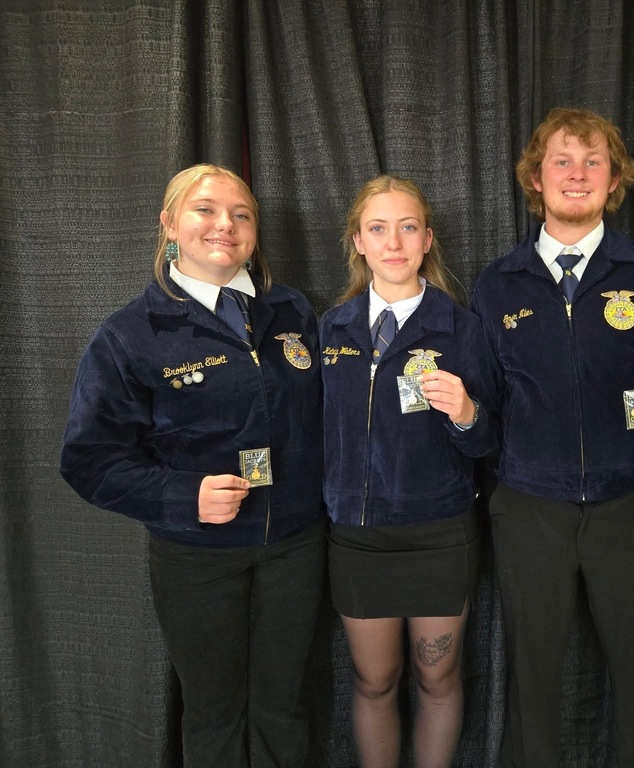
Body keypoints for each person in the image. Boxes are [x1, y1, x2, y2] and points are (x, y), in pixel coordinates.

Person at [471, 107, 634, 768]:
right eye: (562, 160)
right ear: (535, 177)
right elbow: (484, 407)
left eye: (593, 162)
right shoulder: (499, 283)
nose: (576, 174)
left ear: (614, 182)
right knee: (532, 684)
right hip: (530, 510)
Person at [60, 164, 326, 768]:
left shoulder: (291, 311)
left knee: (285, 705)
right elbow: (88, 459)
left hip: (295, 544)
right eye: (205, 210)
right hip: (198, 555)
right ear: (169, 224)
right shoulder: (132, 335)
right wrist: (183, 496)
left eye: (240, 214)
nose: (224, 225)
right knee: (214, 712)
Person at [320, 175, 500, 768]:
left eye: (406, 228)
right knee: (374, 682)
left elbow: (492, 443)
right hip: (359, 538)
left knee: (437, 680)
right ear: (358, 243)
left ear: (427, 240)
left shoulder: (464, 330)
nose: (393, 242)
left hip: (440, 535)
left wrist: (467, 412)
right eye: (378, 228)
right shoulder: (330, 332)